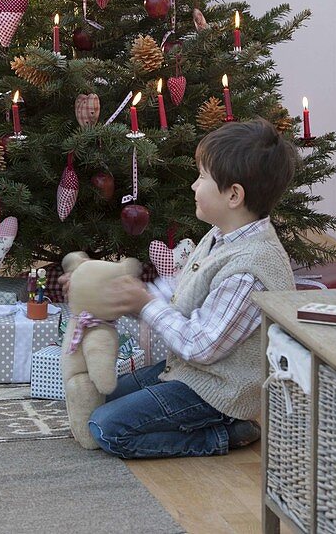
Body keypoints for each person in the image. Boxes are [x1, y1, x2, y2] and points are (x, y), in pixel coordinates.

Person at [81, 118, 298, 458]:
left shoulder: (251, 269)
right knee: (103, 395)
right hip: (190, 372)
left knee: (107, 428)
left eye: (202, 178)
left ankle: (224, 434)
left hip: (221, 391)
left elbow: (201, 346)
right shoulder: (219, 236)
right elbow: (185, 294)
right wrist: (129, 293)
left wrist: (146, 306)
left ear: (233, 195)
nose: (193, 186)